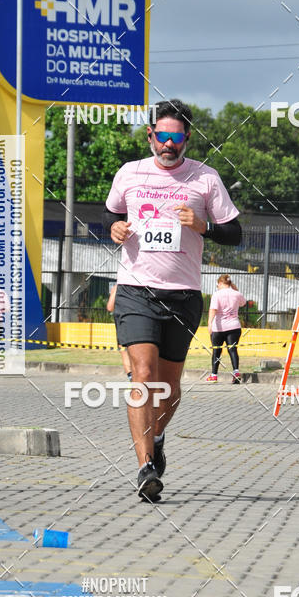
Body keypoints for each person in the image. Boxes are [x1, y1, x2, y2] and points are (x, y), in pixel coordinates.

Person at [103, 99, 242, 502]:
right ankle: (146, 467)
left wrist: (205, 226)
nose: (168, 144)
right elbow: (106, 214)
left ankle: (158, 436)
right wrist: (112, 227)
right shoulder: (130, 173)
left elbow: (234, 232)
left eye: (176, 137)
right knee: (143, 375)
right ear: (150, 136)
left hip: (182, 295)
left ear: (187, 139)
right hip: (135, 290)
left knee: (170, 385)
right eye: (161, 136)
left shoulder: (205, 179)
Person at [207, 274, 246, 384]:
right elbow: (243, 303)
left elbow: (213, 309)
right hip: (234, 326)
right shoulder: (237, 294)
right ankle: (236, 373)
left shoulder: (217, 294)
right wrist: (235, 290)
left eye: (217, 285)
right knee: (232, 349)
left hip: (219, 327)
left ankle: (214, 375)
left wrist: (210, 323)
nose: (217, 287)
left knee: (217, 350)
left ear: (220, 283)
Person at [106, 283, 132, 380]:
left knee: (125, 353)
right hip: (127, 323)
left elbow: (110, 307)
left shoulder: (118, 287)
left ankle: (133, 379)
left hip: (123, 322)